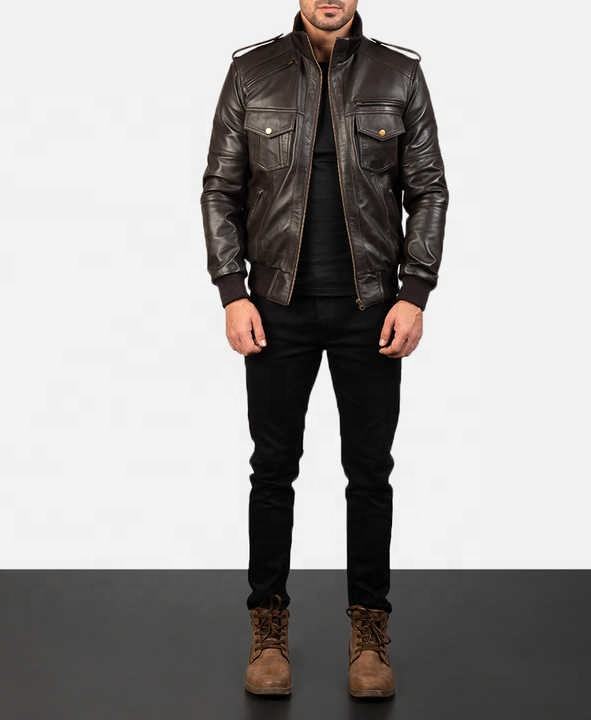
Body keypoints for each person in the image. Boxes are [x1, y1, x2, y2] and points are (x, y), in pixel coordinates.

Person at [200, 0, 448, 699]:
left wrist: (414, 292)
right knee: (272, 470)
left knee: (369, 473)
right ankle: (267, 632)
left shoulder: (399, 76)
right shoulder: (251, 74)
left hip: (371, 309)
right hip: (275, 308)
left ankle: (369, 637)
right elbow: (220, 189)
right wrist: (232, 291)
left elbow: (429, 190)